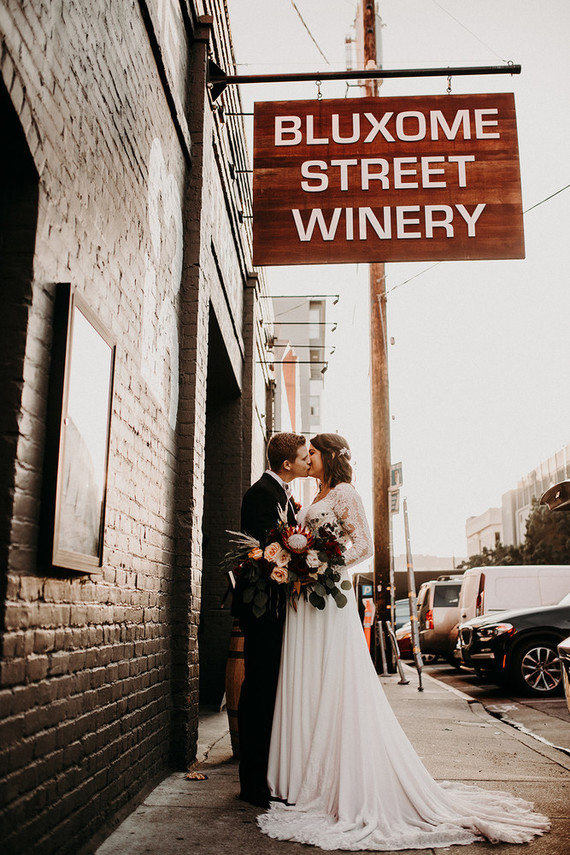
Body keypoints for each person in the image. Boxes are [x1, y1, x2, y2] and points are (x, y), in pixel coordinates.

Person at [258, 433, 550, 850]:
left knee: (334, 677)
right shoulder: (317, 492)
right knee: (308, 678)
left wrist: (320, 560)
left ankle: (332, 775)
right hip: (306, 598)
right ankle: (300, 771)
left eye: (314, 453)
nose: (309, 458)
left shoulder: (344, 494)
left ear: (329, 457)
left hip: (327, 593)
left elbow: (362, 546)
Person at [233, 432, 310, 808]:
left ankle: (265, 775)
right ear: (286, 465)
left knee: (268, 689)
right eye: (302, 456)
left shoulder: (279, 493)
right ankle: (252, 783)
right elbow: (268, 551)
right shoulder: (262, 495)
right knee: (260, 690)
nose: (307, 461)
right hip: (263, 609)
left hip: (277, 608)